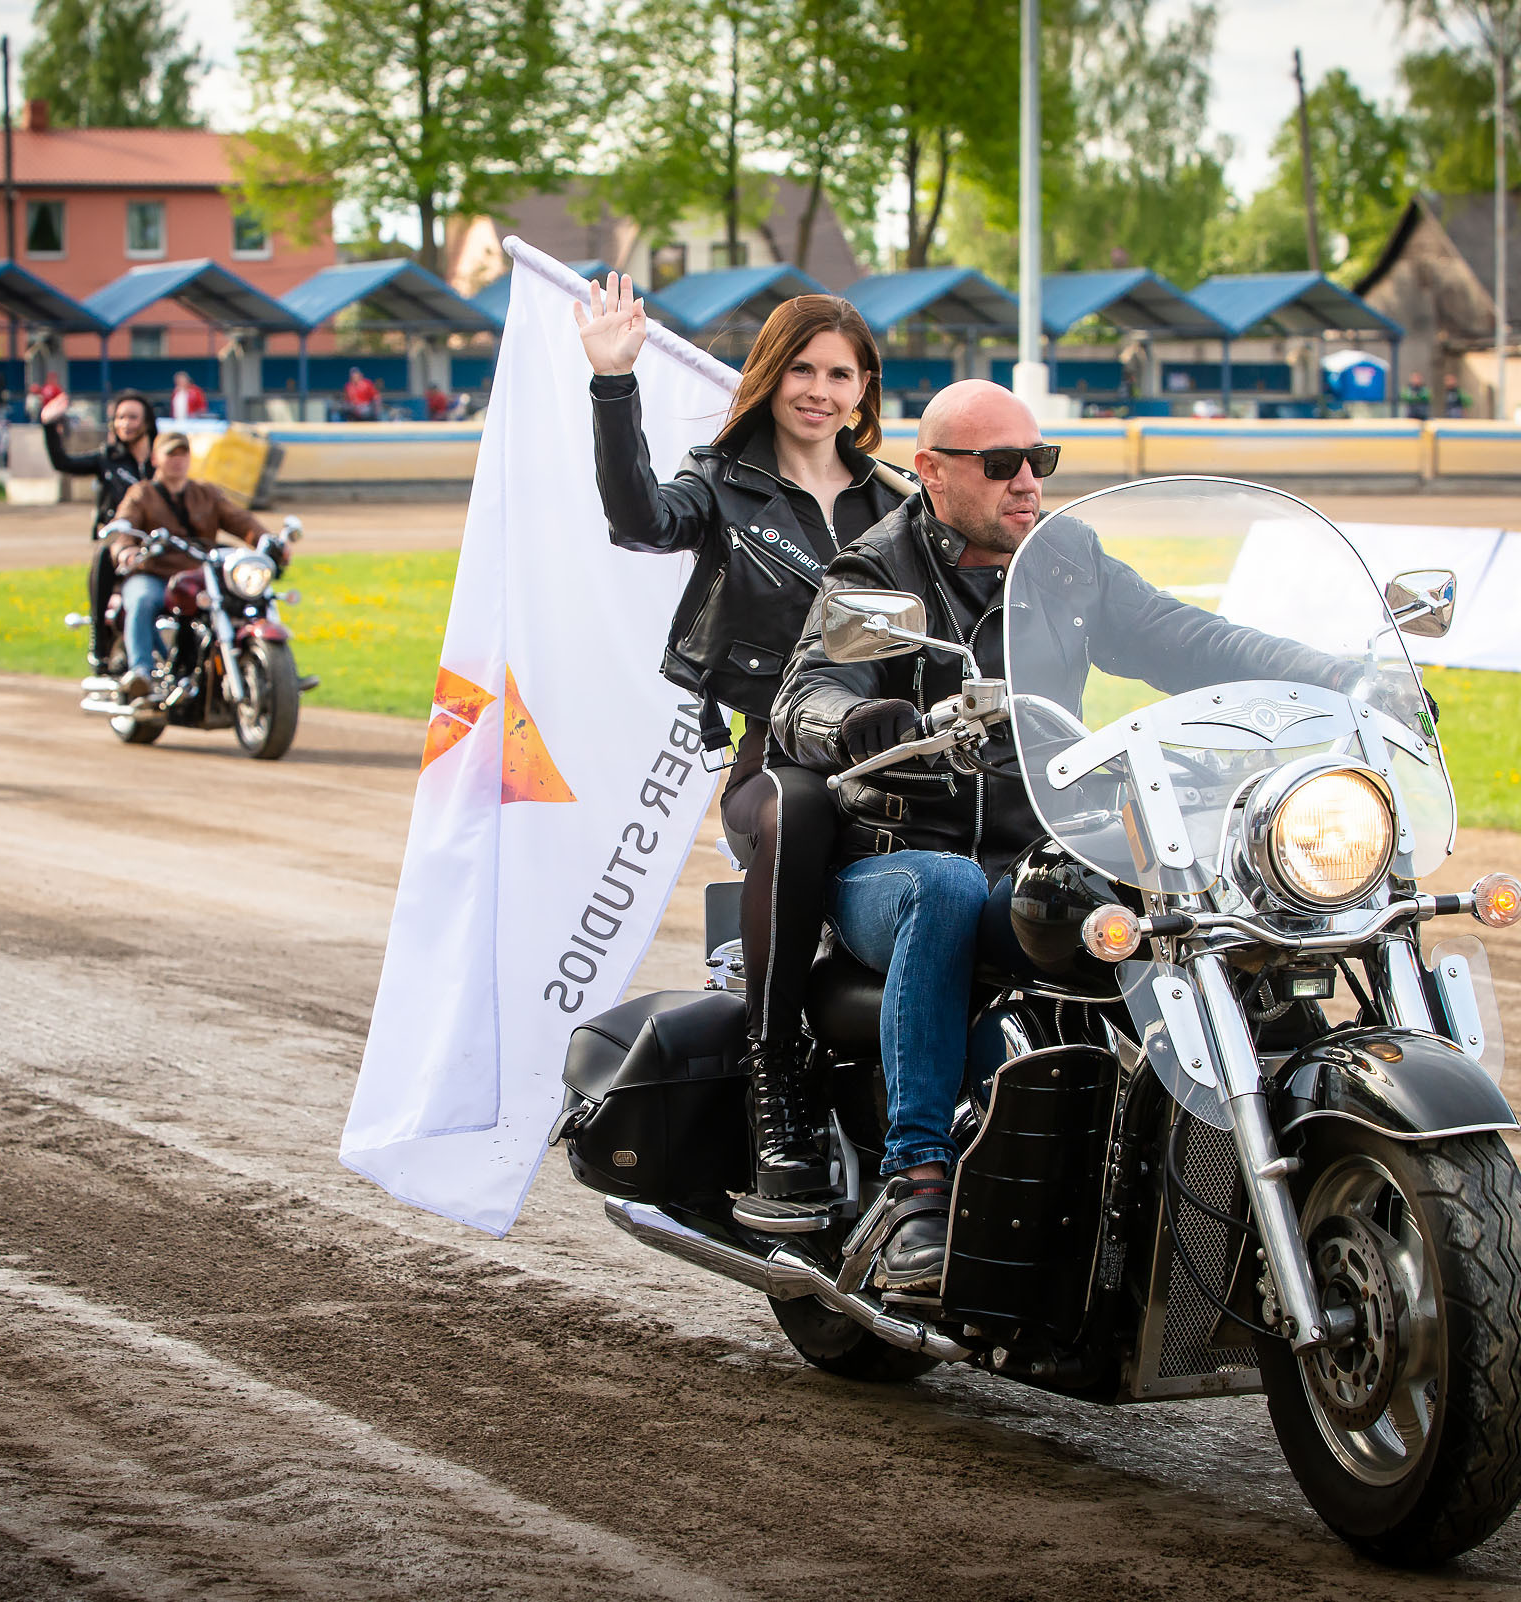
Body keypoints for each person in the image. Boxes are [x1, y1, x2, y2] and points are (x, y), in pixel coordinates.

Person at [772, 379, 1354, 1294]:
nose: (1027, 485)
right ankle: (915, 1185)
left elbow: (1189, 639)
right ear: (930, 472)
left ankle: (1227, 1162)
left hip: (1034, 854)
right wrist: (852, 721)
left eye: (1038, 462)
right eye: (1000, 465)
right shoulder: (873, 573)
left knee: (1187, 898)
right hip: (891, 864)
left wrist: (1335, 677)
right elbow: (802, 693)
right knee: (947, 889)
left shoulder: (1066, 559)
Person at [578, 274, 911, 1207]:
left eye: (840, 373)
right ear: (768, 376)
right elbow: (638, 520)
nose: (819, 390)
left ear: (865, 388)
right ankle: (775, 1088)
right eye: (801, 368)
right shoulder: (724, 486)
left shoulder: (897, 504)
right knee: (797, 807)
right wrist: (614, 383)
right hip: (780, 759)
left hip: (902, 760)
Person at [105, 432, 266, 698]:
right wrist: (126, 550)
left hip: (198, 576)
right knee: (142, 600)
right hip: (153, 573)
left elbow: (240, 520)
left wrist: (268, 541)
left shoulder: (206, 493)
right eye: (171, 455)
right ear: (156, 458)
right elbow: (124, 526)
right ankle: (141, 672)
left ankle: (253, 665)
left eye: (183, 455)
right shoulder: (141, 494)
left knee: (243, 599)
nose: (178, 461)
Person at [43, 388, 158, 673]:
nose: (125, 423)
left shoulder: (162, 459)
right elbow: (64, 463)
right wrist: (49, 426)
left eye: (132, 417)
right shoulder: (107, 458)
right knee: (103, 555)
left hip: (157, 541)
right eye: (120, 418)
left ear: (147, 422)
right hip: (118, 542)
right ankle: (99, 642)